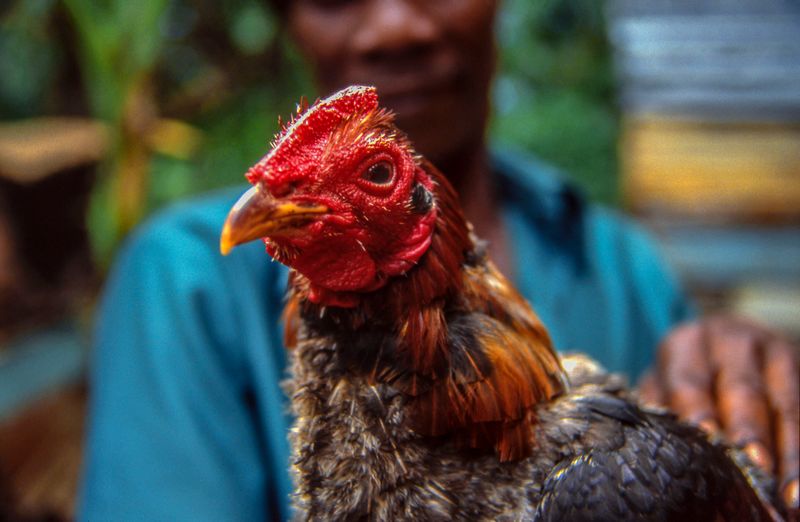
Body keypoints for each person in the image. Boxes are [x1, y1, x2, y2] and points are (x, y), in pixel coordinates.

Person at [79, 0, 799, 519]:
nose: (395, 25)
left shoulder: (626, 263)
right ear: (290, 18)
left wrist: (739, 397)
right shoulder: (180, 281)